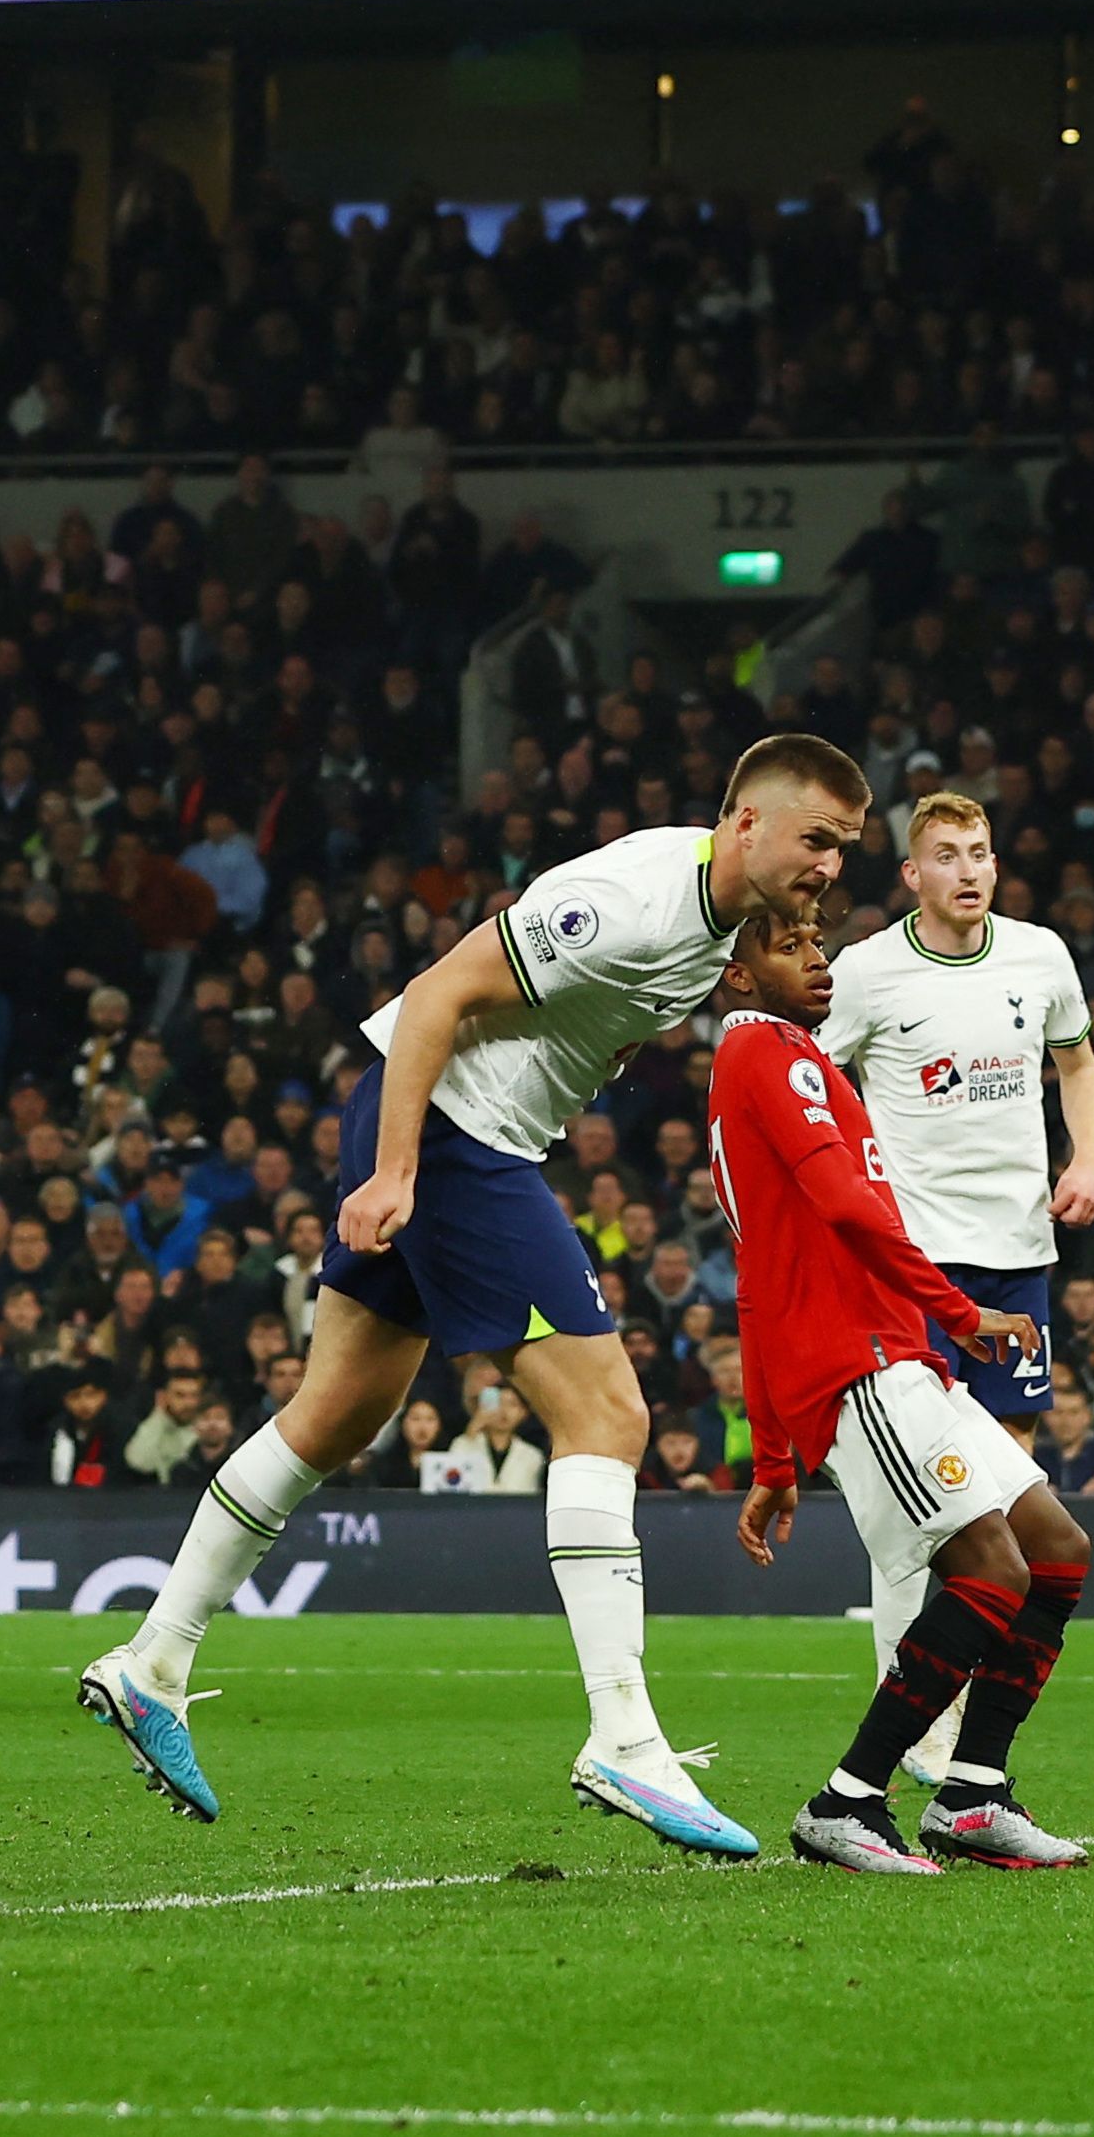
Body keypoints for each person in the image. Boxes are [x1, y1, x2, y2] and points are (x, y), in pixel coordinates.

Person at [80, 736, 869, 1856]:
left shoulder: (713, 923)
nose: (832, 865)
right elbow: (440, 991)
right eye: (817, 838)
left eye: (844, 847)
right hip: (453, 1136)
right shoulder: (630, 901)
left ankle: (152, 1661)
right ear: (746, 821)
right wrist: (396, 1168)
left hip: (465, 1135)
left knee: (336, 1412)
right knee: (608, 1414)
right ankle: (627, 1742)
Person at [711, 910, 1083, 1873]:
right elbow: (844, 1207)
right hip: (861, 1363)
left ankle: (972, 1794)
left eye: (817, 943)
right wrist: (959, 1312)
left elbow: (758, 1273)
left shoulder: (792, 1063)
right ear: (737, 977)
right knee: (993, 1572)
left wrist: (772, 1454)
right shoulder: (769, 1057)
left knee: (1056, 1552)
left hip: (898, 1354)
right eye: (788, 948)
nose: (815, 959)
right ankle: (846, 1801)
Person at [812, 787, 1094, 1783]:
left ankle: (959, 1716)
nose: (970, 870)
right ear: (912, 873)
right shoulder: (867, 972)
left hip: (1018, 1260)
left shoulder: (1040, 956)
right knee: (933, 1512)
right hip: (916, 1266)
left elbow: (1080, 1064)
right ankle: (921, 1729)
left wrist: (1088, 1158)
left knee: (1004, 1505)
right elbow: (810, 1084)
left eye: (979, 851)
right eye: (947, 854)